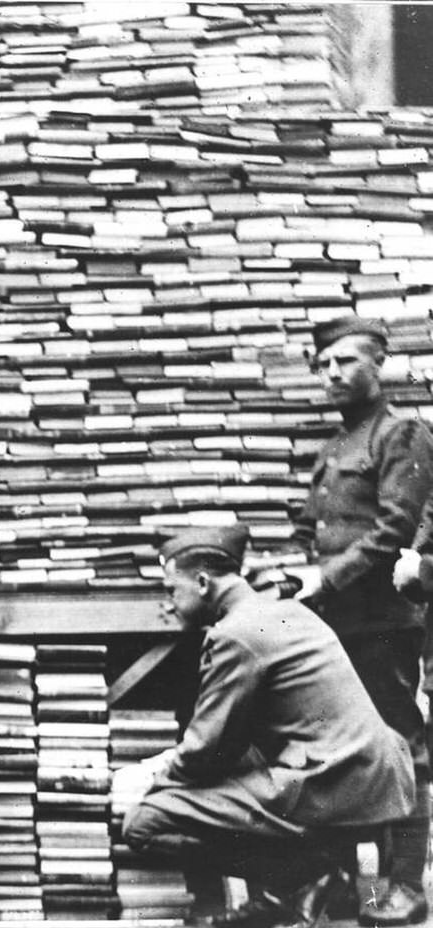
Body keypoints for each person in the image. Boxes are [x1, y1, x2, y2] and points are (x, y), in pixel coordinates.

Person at [121, 524, 416, 928]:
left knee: (145, 822)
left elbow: (206, 752)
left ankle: (300, 880)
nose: (170, 604)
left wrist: (150, 776)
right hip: (372, 783)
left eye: (172, 589)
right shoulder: (285, 611)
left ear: (203, 582)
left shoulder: (236, 634)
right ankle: (329, 884)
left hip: (333, 784)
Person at [286, 314, 433, 927]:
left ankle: (405, 889)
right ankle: (353, 889)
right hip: (335, 625)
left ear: (378, 365)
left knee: (401, 749)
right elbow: (315, 526)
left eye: (346, 361)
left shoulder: (400, 435)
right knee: (344, 753)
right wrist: (293, 567)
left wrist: (330, 576)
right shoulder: (335, 446)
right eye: (324, 365)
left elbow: (395, 527)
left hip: (381, 623)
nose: (333, 373)